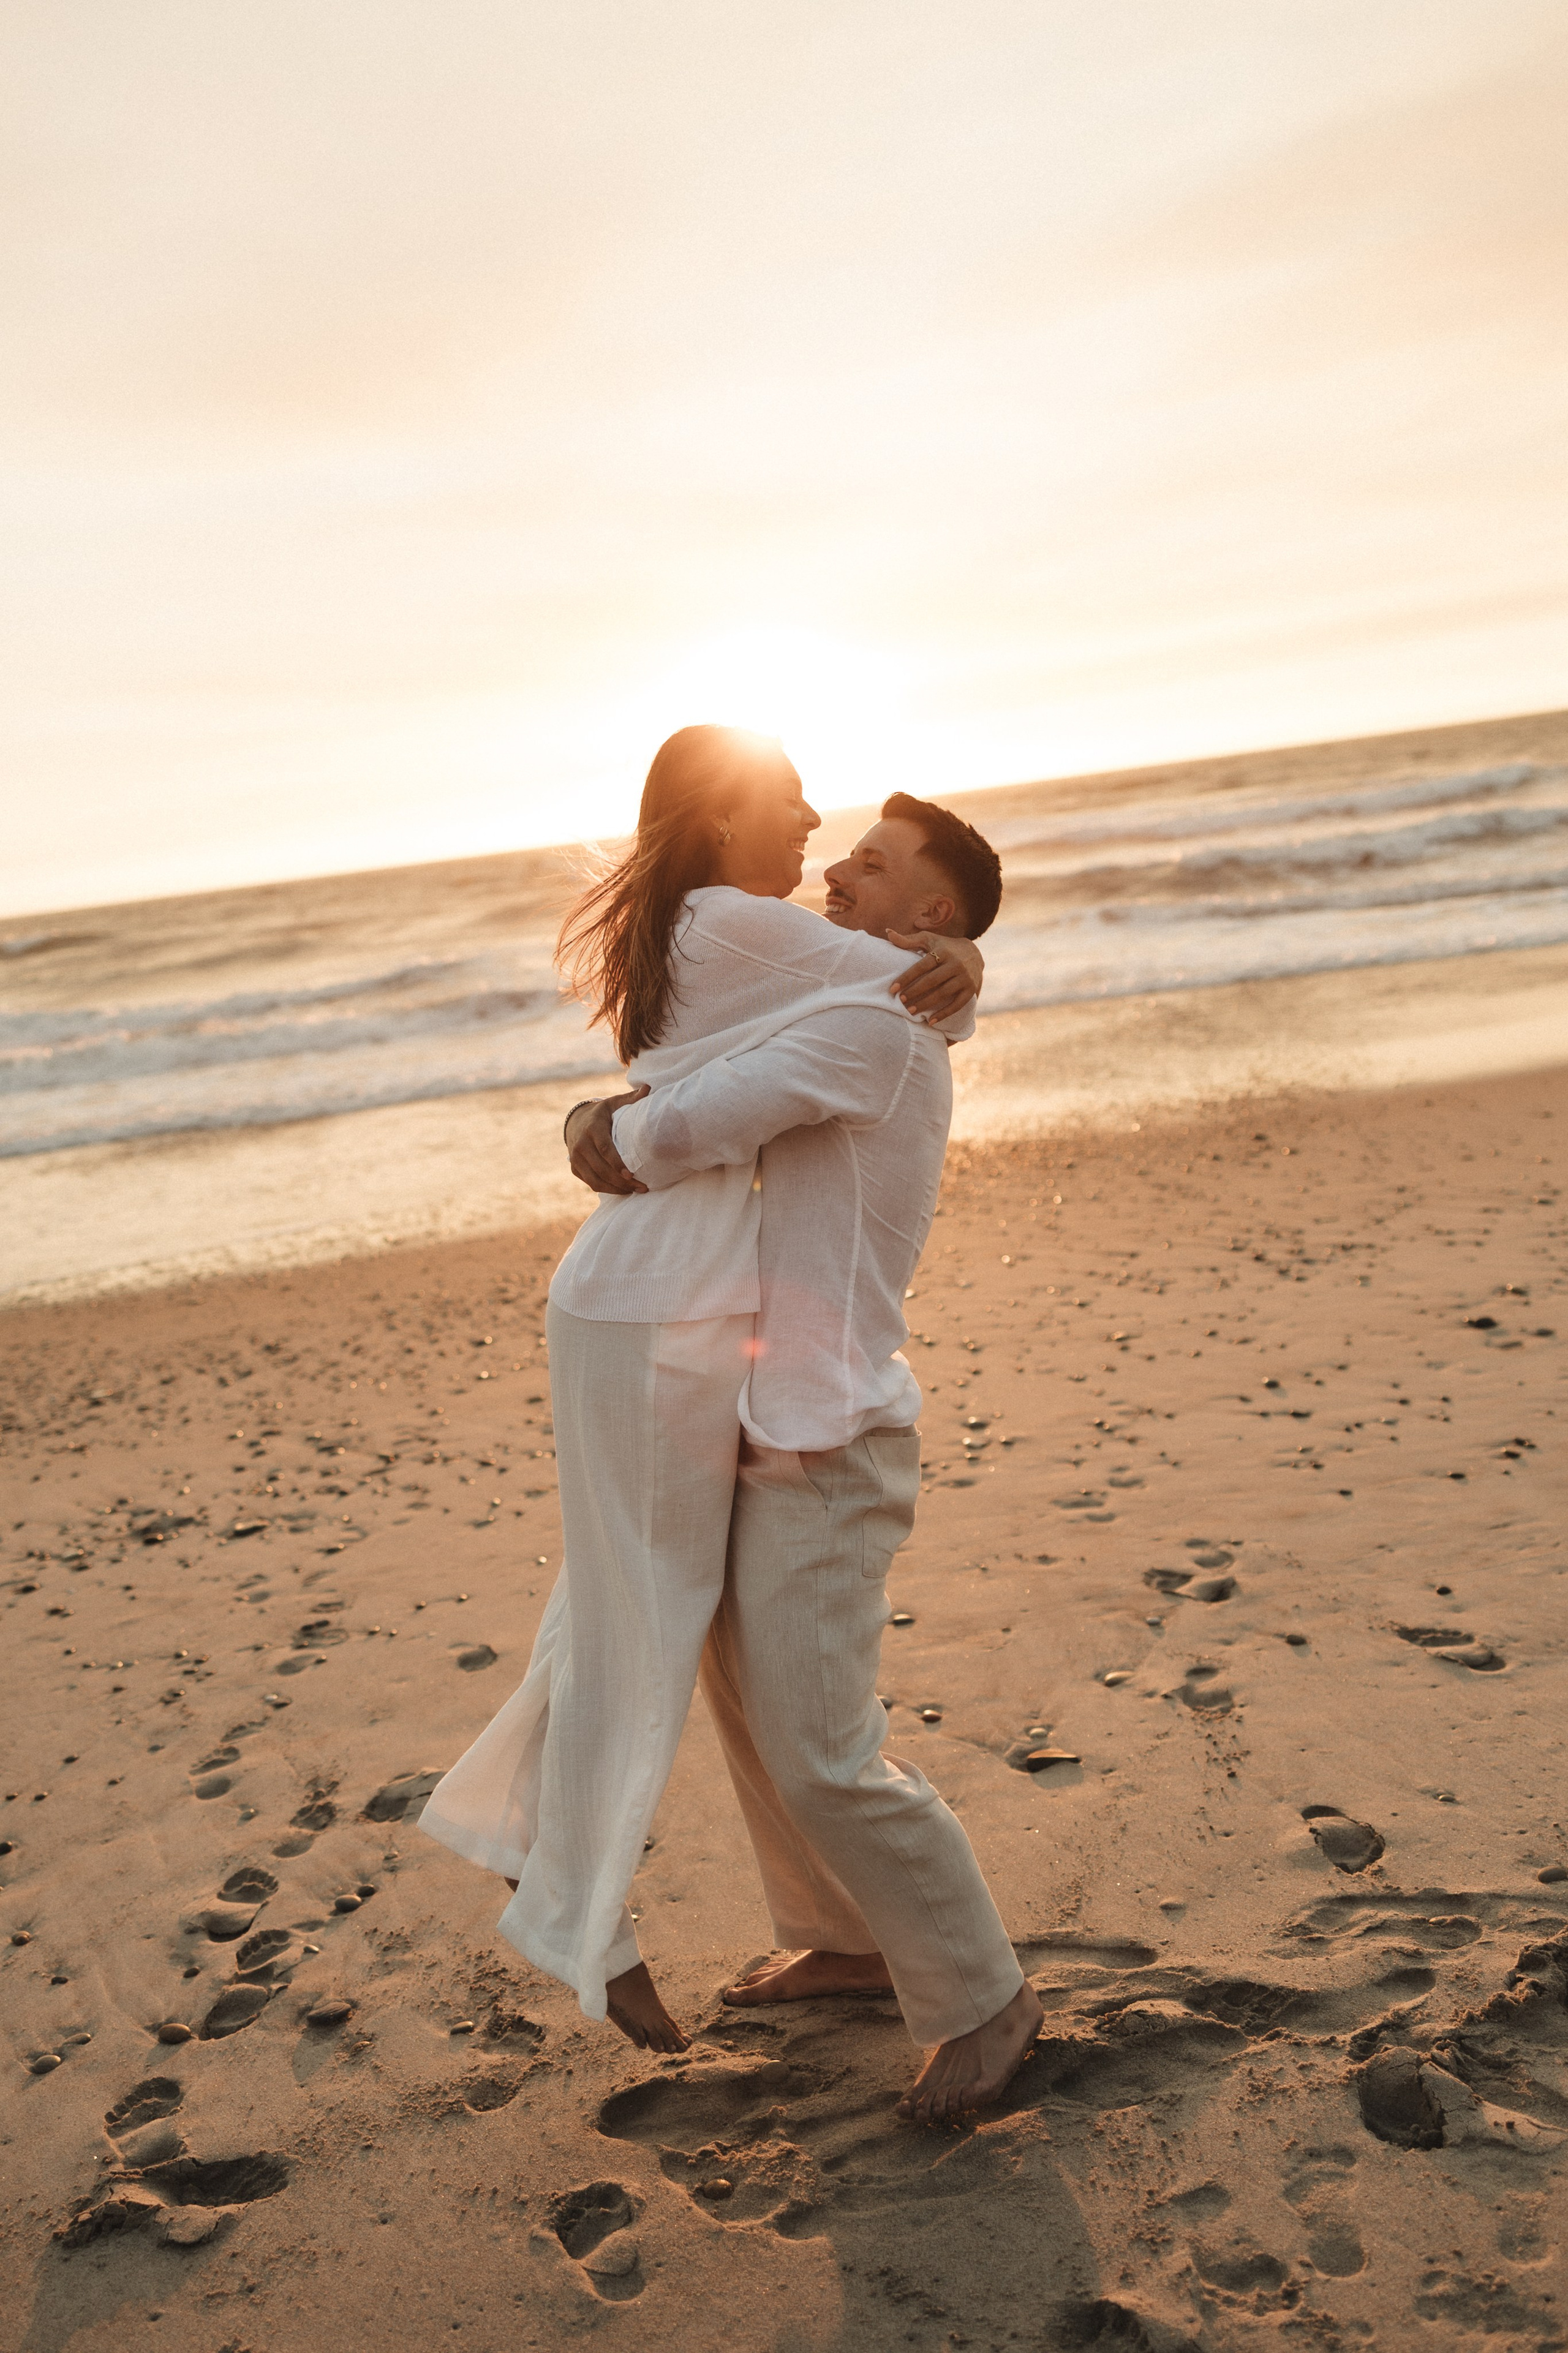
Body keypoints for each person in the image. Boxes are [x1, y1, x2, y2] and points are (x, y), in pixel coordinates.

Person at [419, 726, 984, 2063]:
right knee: (636, 1609)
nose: (811, 823)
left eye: (853, 841)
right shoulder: (733, 921)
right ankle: (570, 1897)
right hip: (655, 1311)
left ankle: (559, 1864)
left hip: (656, 1303)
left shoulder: (703, 930)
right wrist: (953, 961)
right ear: (718, 817)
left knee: (625, 1600)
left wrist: (605, 1127)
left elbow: (881, 1016)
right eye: (787, 800)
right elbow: (908, 996)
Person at [567, 787, 1043, 2123]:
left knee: (822, 1744)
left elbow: (679, 1124)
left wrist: (603, 1132)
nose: (837, 867)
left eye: (876, 866)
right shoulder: (861, 1002)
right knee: (749, 1707)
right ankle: (844, 1940)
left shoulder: (869, 1026)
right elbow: (711, 1047)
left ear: (929, 915)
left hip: (831, 1439)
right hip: (767, 1419)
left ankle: (985, 1996)